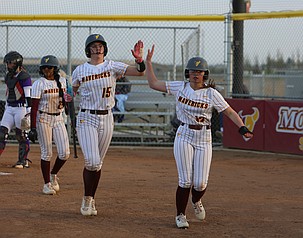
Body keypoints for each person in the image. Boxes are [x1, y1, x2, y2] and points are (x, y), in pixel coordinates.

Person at [145, 45, 254, 229]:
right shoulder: (181, 87)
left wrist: (242, 127)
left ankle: (196, 201)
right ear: (188, 73)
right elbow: (154, 84)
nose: (196, 74)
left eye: (200, 71)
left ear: (205, 74)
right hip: (184, 133)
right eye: (193, 71)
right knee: (185, 180)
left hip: (204, 137)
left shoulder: (212, 93)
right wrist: (148, 63)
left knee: (200, 183)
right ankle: (180, 215)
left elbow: (229, 112)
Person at [72, 34, 145, 216]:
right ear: (88, 50)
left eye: (100, 45)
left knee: (98, 164)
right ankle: (87, 199)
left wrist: (139, 60)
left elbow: (139, 72)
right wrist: (67, 96)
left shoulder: (112, 66)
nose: (97, 48)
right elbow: (71, 91)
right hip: (87, 117)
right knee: (92, 161)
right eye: (93, 46)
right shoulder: (80, 70)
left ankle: (90, 198)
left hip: (107, 117)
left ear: (105, 48)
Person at [28, 55, 72, 195]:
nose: (47, 70)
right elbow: (34, 107)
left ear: (55, 68)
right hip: (44, 119)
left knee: (65, 153)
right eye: (44, 67)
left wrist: (71, 113)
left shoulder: (63, 82)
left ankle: (53, 174)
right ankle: (46, 184)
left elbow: (68, 101)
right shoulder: (39, 84)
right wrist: (33, 128)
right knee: (47, 153)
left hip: (58, 118)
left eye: (50, 67)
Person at [0, 51, 32, 168]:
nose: (8, 66)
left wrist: (29, 112)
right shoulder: (8, 76)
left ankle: (23, 161)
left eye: (10, 63)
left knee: (21, 135)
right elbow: (9, 92)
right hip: (10, 107)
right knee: (1, 133)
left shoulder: (24, 76)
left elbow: (28, 95)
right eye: (7, 63)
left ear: (17, 64)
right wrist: (7, 106)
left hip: (21, 108)